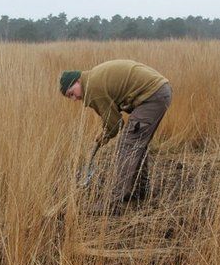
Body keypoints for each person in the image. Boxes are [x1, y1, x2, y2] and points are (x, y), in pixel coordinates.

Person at [59, 60, 171, 214]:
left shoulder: (91, 88)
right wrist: (104, 133)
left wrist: (103, 137)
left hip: (152, 96)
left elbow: (115, 123)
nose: (74, 99)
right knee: (136, 143)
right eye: (69, 97)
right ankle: (140, 190)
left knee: (126, 146)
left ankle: (112, 202)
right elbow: (112, 118)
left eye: (72, 93)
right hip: (158, 91)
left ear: (78, 81)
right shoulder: (93, 79)